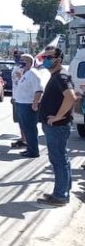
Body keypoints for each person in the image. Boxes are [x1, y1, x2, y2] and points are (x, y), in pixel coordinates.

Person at [36, 48, 77, 206]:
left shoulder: (61, 76)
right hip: (56, 126)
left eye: (48, 57)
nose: (44, 59)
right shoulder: (57, 76)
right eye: (43, 57)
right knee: (62, 160)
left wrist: (58, 116)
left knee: (58, 160)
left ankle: (60, 196)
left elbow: (71, 97)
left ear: (58, 59)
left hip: (57, 126)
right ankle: (62, 192)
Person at [12, 54, 44, 158]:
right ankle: (29, 149)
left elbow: (38, 90)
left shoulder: (33, 73)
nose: (20, 62)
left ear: (29, 62)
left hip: (28, 105)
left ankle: (33, 151)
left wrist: (35, 104)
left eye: (22, 60)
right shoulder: (26, 73)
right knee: (25, 128)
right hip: (21, 104)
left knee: (30, 129)